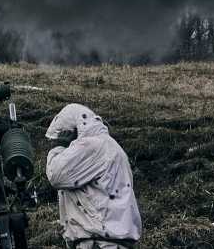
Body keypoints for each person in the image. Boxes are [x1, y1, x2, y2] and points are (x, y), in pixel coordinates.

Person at [45, 103, 142, 249]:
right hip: (113, 241)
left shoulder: (90, 146)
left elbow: (56, 174)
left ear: (73, 131)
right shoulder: (110, 145)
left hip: (100, 242)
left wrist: (58, 147)